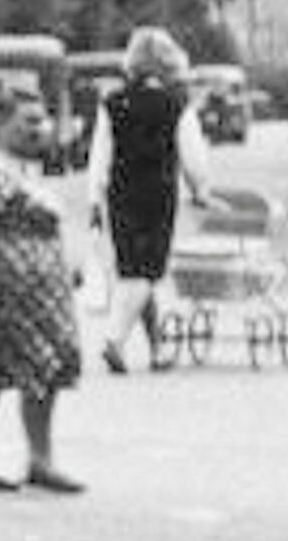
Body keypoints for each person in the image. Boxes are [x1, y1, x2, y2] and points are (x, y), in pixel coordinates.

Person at [0, 87, 88, 494]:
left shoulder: (24, 167)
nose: (39, 129)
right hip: (5, 289)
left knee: (40, 372)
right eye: (29, 121)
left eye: (42, 120)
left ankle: (38, 461)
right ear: (0, 122)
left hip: (37, 292)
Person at [91, 24, 212, 377]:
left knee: (133, 268)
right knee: (148, 271)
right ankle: (114, 339)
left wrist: (94, 200)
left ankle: (159, 348)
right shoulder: (176, 106)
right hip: (158, 194)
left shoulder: (113, 103)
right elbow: (193, 159)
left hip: (119, 194)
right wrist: (200, 190)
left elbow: (100, 155)